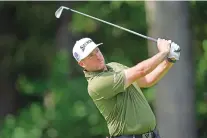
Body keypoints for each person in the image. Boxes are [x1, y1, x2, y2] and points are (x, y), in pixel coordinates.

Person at [72, 37, 181, 138]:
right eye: (91, 55)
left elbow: (147, 80)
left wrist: (170, 60)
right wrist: (163, 52)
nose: (98, 56)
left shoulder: (115, 66)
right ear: (82, 63)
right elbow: (141, 71)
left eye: (97, 50)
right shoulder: (96, 84)